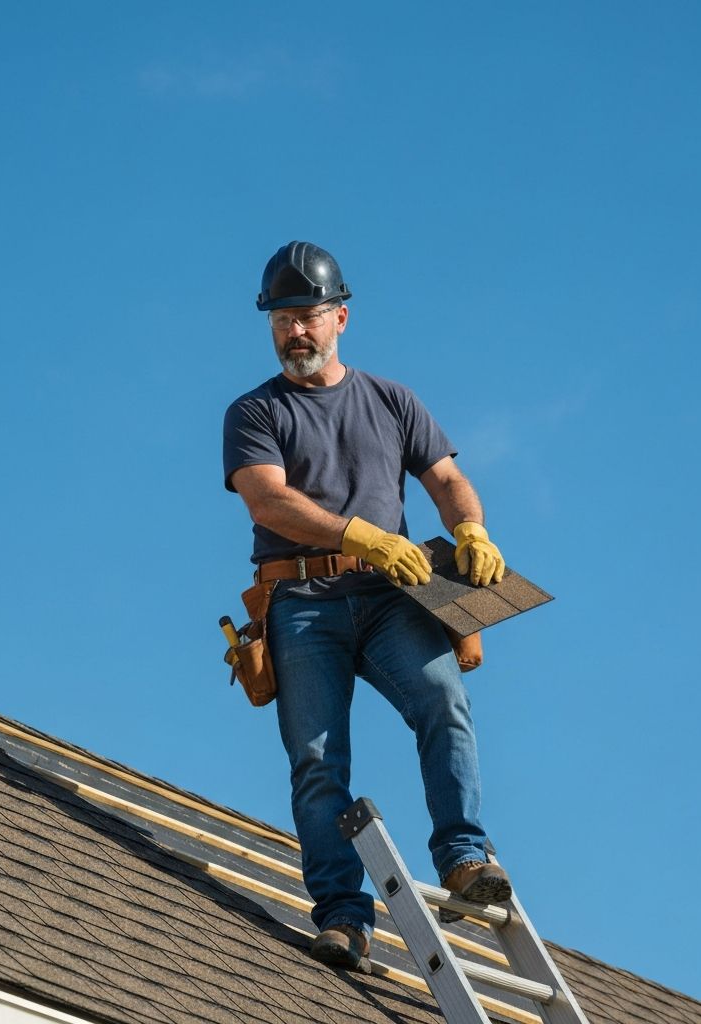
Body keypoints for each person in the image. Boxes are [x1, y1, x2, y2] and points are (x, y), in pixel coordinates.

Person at [223, 240, 511, 971]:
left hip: (391, 598)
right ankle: (345, 919)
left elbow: (447, 479)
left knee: (442, 700)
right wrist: (362, 534)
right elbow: (268, 498)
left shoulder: (391, 400)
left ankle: (465, 857)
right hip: (302, 602)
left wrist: (470, 526)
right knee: (318, 762)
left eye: (307, 317)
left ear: (339, 317)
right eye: (282, 319)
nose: (295, 332)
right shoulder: (255, 410)